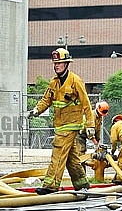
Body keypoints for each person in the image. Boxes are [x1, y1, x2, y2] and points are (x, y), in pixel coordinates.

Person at [29, 48, 95, 194]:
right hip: (60, 126)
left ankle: (51, 185)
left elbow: (86, 103)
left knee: (58, 153)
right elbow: (46, 100)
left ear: (66, 64)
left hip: (71, 125)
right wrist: (36, 110)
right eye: (55, 63)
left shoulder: (75, 81)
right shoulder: (54, 83)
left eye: (60, 63)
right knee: (72, 158)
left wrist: (90, 125)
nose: (57, 66)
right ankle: (82, 184)